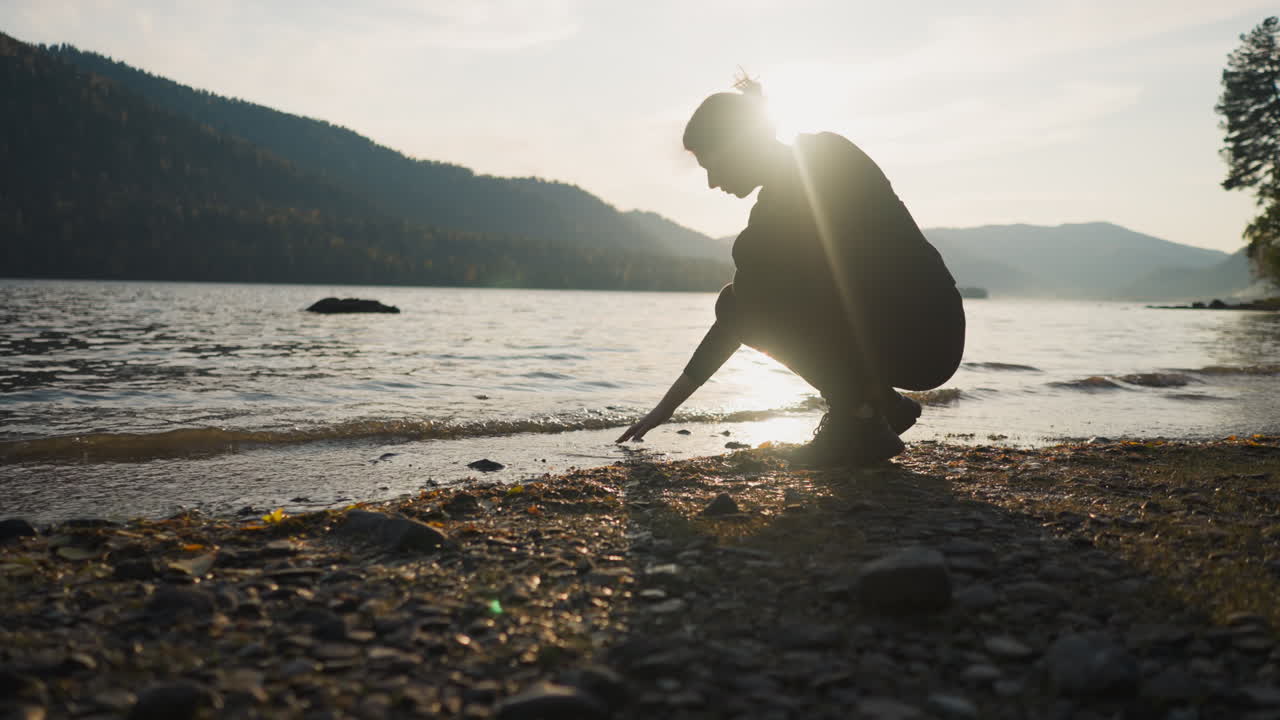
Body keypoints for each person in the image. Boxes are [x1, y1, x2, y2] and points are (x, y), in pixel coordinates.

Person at [617, 76, 965, 466]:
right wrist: (668, 406)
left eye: (710, 165)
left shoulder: (796, 190)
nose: (713, 182)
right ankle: (879, 409)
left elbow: (741, 313)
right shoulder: (825, 154)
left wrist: (668, 407)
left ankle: (861, 420)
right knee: (745, 296)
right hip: (939, 326)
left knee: (741, 298)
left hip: (918, 335)